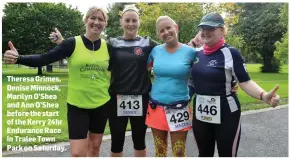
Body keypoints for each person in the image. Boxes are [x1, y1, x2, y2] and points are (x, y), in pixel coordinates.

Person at [49, 5, 158, 157]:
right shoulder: (112, 44)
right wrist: (62, 43)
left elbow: (168, 50)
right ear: (121, 22)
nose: (131, 24)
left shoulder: (148, 43)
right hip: (116, 98)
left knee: (139, 140)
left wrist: (191, 45)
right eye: (127, 20)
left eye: (134, 20)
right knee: (116, 142)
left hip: (141, 97)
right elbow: (88, 50)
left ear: (139, 21)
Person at [4, 6, 111, 157]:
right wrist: (19, 58)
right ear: (86, 20)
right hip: (77, 106)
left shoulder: (109, 47)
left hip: (101, 105)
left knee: (94, 148)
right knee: (77, 153)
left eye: (101, 19)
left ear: (105, 24)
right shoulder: (71, 44)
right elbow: (44, 58)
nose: (96, 22)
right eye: (93, 18)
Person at [190, 12, 280, 157]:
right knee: (204, 154)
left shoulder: (231, 53)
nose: (205, 32)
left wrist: (263, 96)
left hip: (227, 114)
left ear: (222, 30)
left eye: (210, 28)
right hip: (200, 114)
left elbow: (245, 81)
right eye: (202, 28)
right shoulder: (194, 54)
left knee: (227, 154)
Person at [145, 15, 196, 157]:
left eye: (168, 28)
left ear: (176, 28)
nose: (166, 32)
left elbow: (201, 73)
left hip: (179, 108)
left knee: (178, 151)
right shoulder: (155, 51)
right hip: (156, 107)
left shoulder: (191, 52)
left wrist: (231, 84)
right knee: (160, 151)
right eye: (161, 30)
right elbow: (143, 70)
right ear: (158, 34)